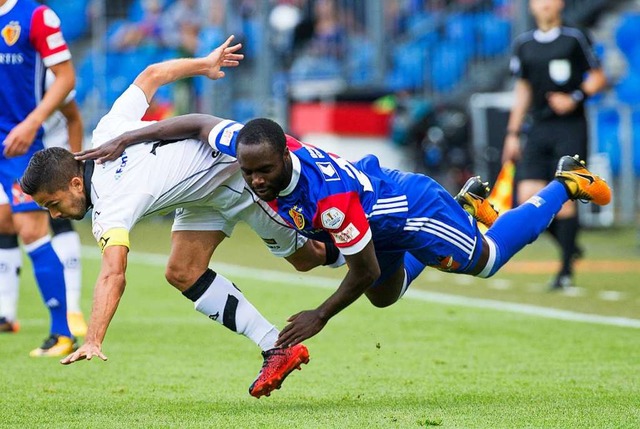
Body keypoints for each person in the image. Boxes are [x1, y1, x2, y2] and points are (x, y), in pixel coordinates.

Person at [74, 113, 611, 349]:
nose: (255, 181)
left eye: (264, 172)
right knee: (386, 298)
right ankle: (466, 211)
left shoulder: (328, 203)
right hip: (371, 215)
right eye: (248, 171)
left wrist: (319, 316)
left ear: (286, 156)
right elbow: (194, 122)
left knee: (487, 260)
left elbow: (364, 266)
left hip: (405, 208)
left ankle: (567, 182)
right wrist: (128, 140)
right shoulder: (247, 143)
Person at [21, 36, 345, 399]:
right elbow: (151, 74)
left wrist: (93, 339)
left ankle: (371, 248)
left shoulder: (111, 206)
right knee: (182, 271)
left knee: (309, 258)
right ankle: (276, 346)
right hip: (199, 195)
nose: (53, 213)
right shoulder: (108, 130)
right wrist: (203, 64)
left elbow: (113, 273)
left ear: (76, 182)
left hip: (240, 179)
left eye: (53, 203)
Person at [502, 0, 607, 289]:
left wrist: (573, 97)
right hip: (538, 127)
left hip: (570, 127)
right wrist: (512, 133)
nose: (545, 4)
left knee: (563, 196)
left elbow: (598, 77)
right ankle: (569, 244)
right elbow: (523, 89)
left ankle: (564, 271)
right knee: (526, 196)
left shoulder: (575, 38)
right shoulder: (524, 45)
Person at [0, 0, 76, 356]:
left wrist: (32, 123)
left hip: (19, 147)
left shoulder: (36, 16)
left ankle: (62, 333)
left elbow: (65, 77)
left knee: (31, 231)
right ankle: (6, 314)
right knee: (4, 224)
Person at [0, 69, 88, 337]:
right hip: (13, 155)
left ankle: (71, 310)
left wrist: (76, 164)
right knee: (4, 222)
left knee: (52, 221)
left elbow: (74, 118)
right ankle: (5, 313)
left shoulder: (45, 77)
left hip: (51, 155)